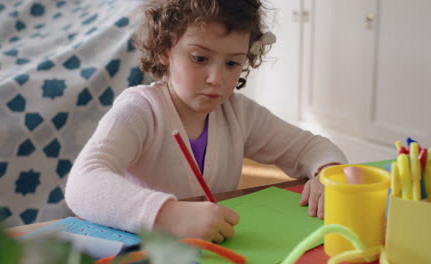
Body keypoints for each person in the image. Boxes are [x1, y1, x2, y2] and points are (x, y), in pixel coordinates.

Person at [65, 0, 347, 243]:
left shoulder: (239, 114)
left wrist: (328, 173)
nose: (217, 78)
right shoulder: (141, 110)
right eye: (200, 58)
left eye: (232, 63)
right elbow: (82, 183)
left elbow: (312, 147)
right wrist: (167, 216)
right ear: (165, 50)